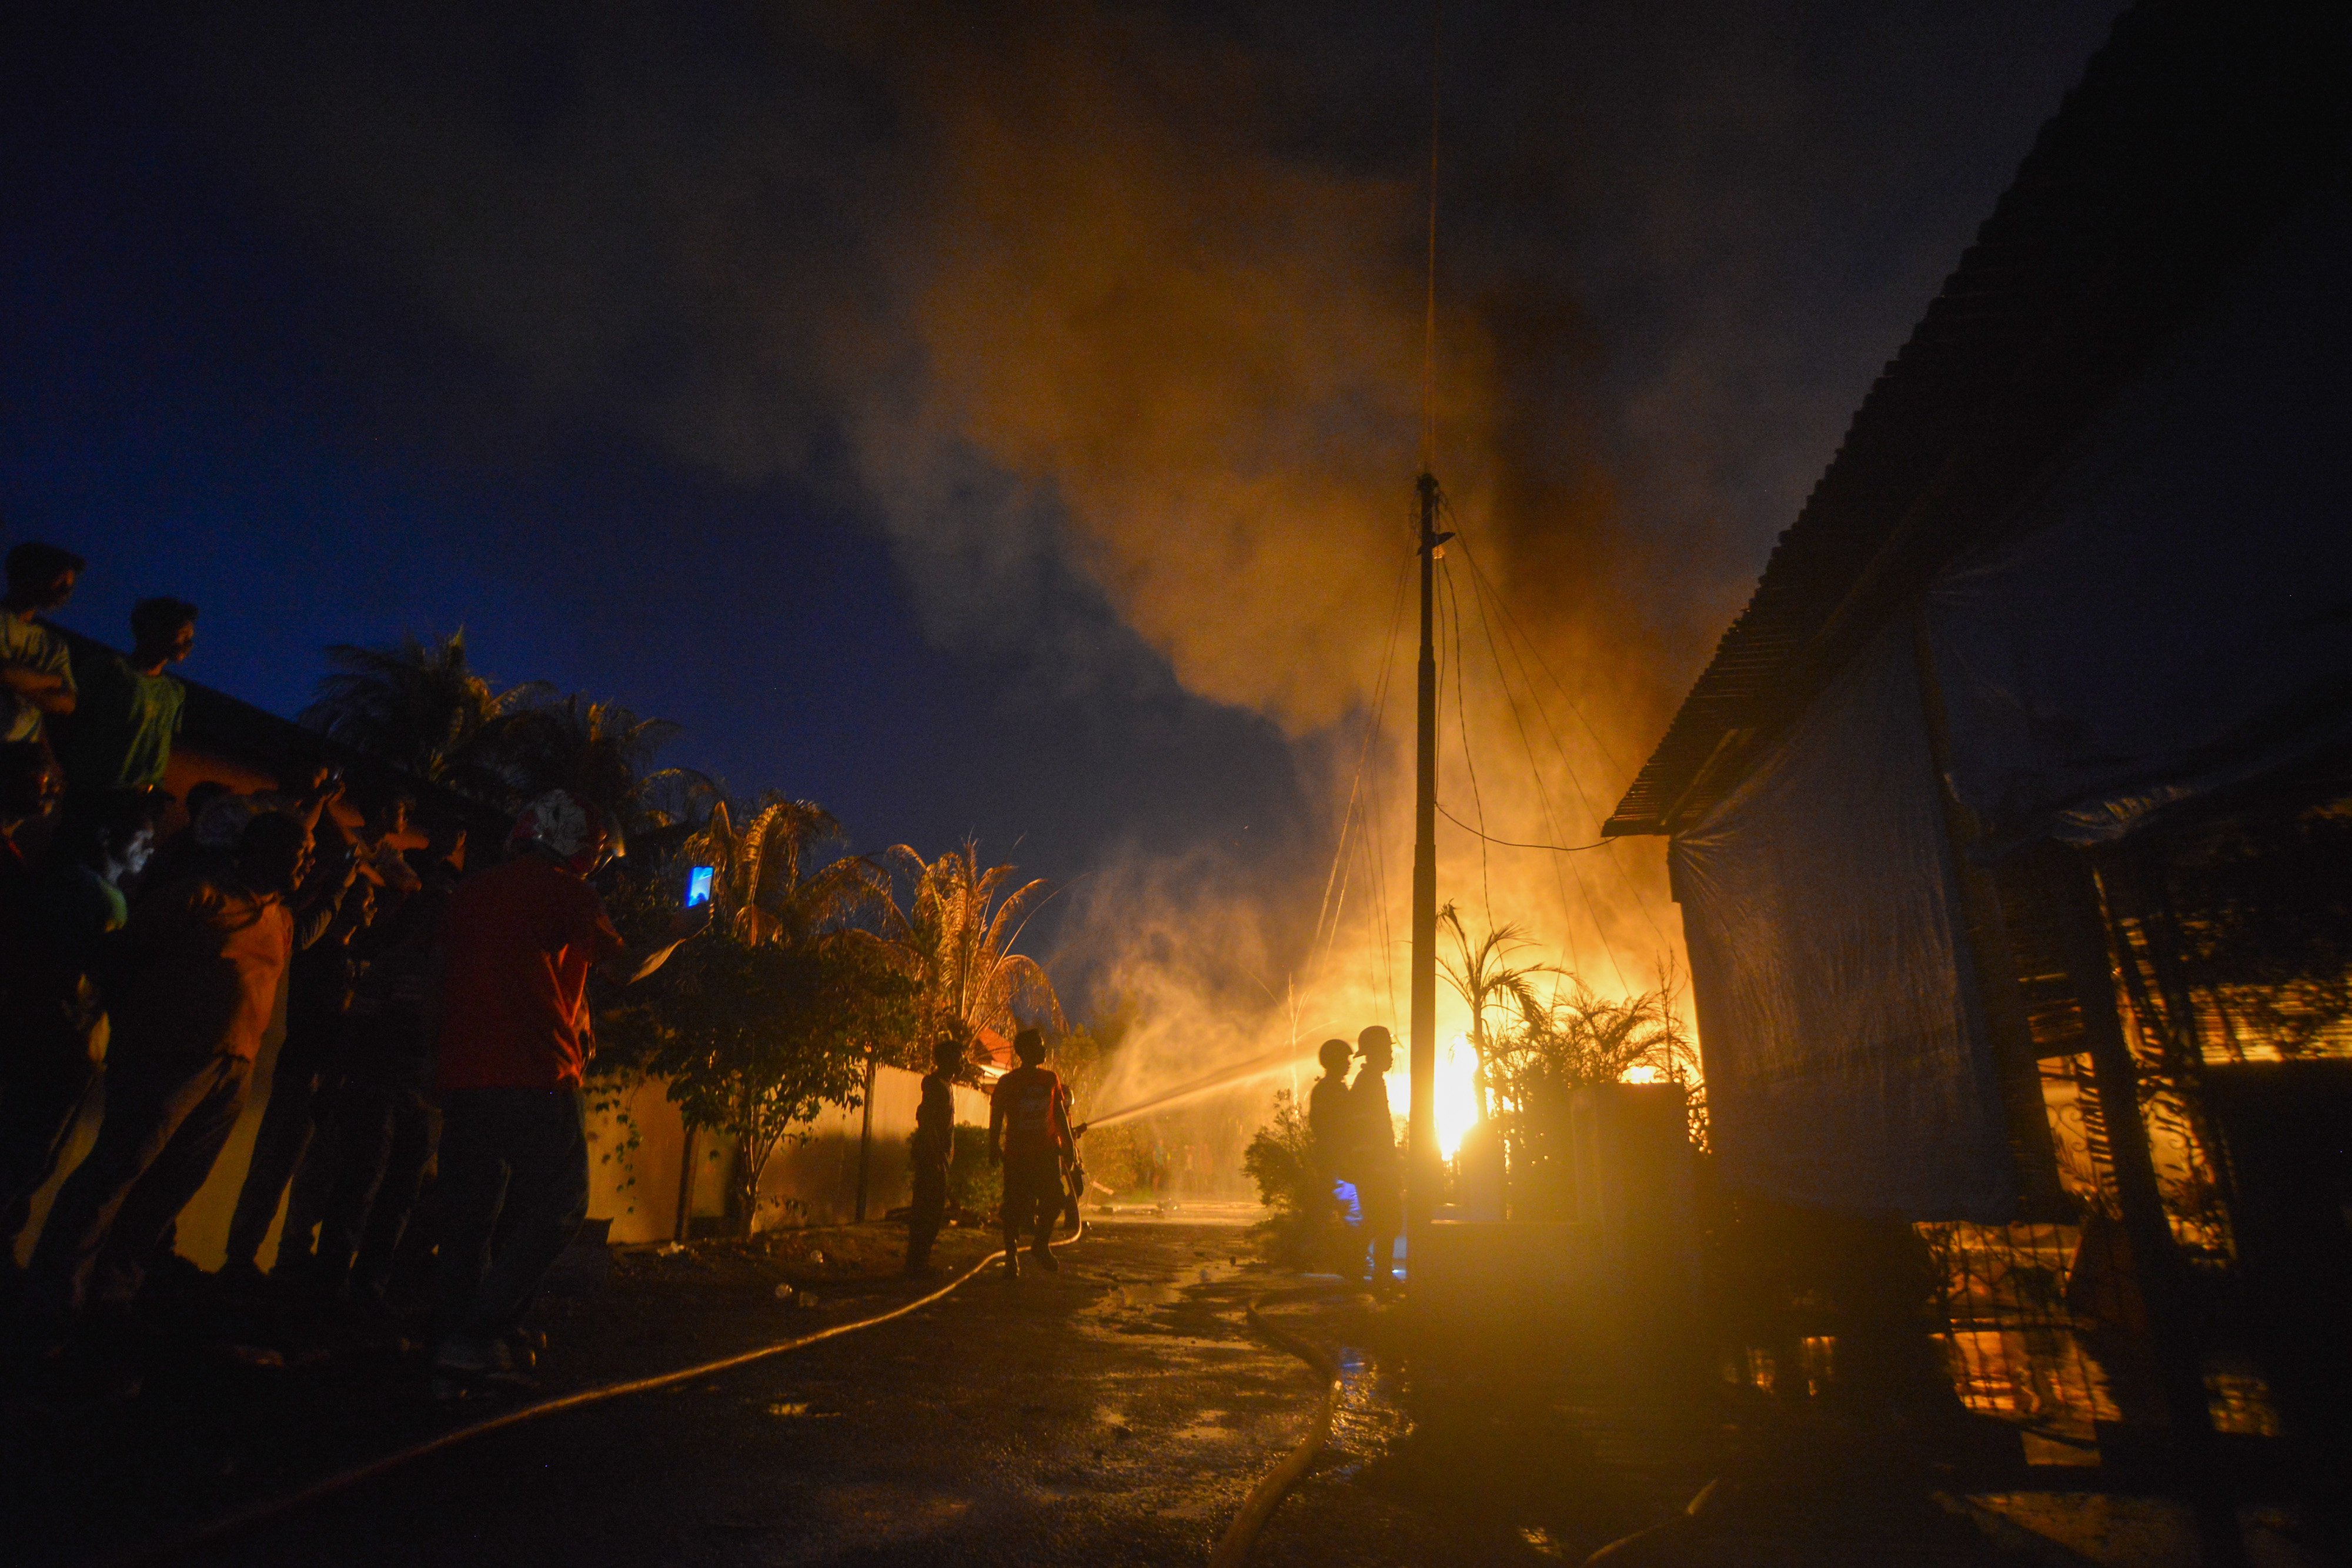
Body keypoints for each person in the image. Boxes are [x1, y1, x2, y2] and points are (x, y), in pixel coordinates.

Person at [428, 790, 700, 1388]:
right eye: (597, 853)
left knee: (474, 1212)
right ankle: (480, 1329)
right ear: (578, 848)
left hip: (463, 1073)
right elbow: (623, 967)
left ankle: (463, 1336)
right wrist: (678, 932)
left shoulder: (471, 892)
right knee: (560, 1204)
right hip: (537, 1073)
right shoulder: (567, 894)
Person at [24, 810, 316, 1320]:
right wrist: (140, 1030)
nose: (309, 861)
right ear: (262, 848)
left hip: (234, 1066)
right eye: (301, 849)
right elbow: (125, 954)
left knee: (174, 1185)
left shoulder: (281, 918)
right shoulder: (200, 897)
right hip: (169, 1057)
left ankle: (113, 1295)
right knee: (118, 1172)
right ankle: (55, 1299)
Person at [0, 788, 165, 1256]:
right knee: (28, 1148)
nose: (150, 848)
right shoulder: (98, 898)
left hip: (47, 1033)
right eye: (142, 837)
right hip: (59, 1038)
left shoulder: (70, 884)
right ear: (107, 836)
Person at [220, 871, 373, 1283]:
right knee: (275, 1166)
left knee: (312, 1173)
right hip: (305, 1071)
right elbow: (323, 1011)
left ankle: (284, 1255)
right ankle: (241, 1257)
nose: (372, 909)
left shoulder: (351, 955)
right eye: (366, 899)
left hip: (328, 1076)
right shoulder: (318, 952)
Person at [304, 884, 447, 1303]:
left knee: (398, 1191)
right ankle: (333, 1280)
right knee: (363, 1184)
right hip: (384, 1088)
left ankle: (366, 1283)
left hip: (420, 1094)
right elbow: (361, 1025)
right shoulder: (399, 963)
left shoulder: (453, 970)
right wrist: (344, 1078)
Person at [53, 597, 196, 794]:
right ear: (154, 630)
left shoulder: (175, 692)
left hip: (143, 797)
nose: (189, 644)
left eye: (191, 638)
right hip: (96, 791)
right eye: (183, 635)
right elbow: (64, 720)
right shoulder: (109, 670)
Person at [987, 1027, 1073, 1279]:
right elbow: (996, 1117)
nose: (1044, 1049)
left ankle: (1040, 1244)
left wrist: (1070, 1148)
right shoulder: (1007, 1082)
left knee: (1056, 1200)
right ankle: (1011, 1258)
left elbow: (1059, 1115)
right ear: (1024, 1051)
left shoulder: (1051, 1079)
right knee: (1013, 1207)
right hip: (1018, 1155)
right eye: (1039, 1045)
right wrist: (993, 1145)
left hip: (1047, 1154)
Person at [0, 541, 81, 748]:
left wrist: (17, 680)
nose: (66, 591)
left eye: (70, 586)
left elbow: (67, 703)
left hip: (18, 756)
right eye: (61, 580)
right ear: (32, 574)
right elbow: (4, 672)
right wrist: (53, 681)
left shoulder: (54, 645)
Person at [1351, 1025, 1403, 1293]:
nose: (1392, 1054)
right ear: (1376, 1052)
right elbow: (1366, 1131)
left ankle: (1366, 1271)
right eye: (1388, 1049)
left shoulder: (1371, 1081)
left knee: (1381, 1220)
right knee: (1388, 1219)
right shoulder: (1369, 1083)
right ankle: (1367, 1271)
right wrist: (1379, 1166)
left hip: (1375, 1168)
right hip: (1374, 1169)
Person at [1307, 1037, 1364, 1278]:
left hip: (1337, 1160)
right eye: (1345, 1059)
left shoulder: (1331, 1088)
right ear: (1332, 1061)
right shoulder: (1329, 1090)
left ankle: (1342, 1261)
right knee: (1351, 1212)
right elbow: (1327, 1126)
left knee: (1333, 1210)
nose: (1349, 1063)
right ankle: (1351, 1264)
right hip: (1337, 1162)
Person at [904, 1034, 960, 1278]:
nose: (964, 1063)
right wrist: (937, 1155)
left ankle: (919, 1263)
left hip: (939, 1159)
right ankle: (916, 1265)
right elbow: (926, 1119)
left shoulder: (945, 1085)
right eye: (960, 1058)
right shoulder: (935, 1084)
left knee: (933, 1213)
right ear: (947, 1060)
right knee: (927, 1212)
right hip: (933, 1160)